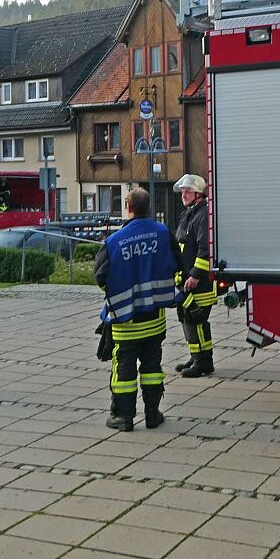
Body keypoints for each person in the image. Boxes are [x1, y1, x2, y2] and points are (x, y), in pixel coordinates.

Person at [94, 188, 182, 431]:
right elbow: (178, 263)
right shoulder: (163, 233)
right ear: (148, 207)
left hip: (125, 320)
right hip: (154, 318)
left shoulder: (113, 242)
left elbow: (100, 276)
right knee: (152, 368)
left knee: (124, 370)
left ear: (127, 206)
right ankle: (153, 414)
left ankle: (123, 417)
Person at [173, 174, 216, 378]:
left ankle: (203, 362)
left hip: (198, 283)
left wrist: (196, 274)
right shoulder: (190, 213)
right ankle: (196, 355)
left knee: (196, 320)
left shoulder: (203, 214)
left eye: (188, 191)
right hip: (186, 281)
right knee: (186, 319)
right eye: (182, 191)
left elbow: (205, 249)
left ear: (198, 193)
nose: (184, 194)